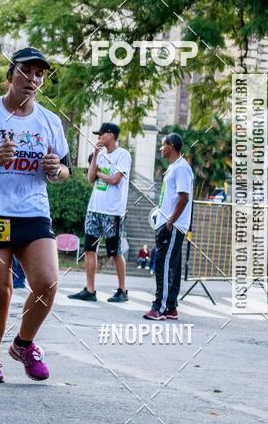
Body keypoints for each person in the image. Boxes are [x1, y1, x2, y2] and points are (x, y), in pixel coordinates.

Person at [0, 47, 70, 383]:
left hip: (32, 211)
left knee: (46, 283)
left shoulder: (49, 121)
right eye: (26, 71)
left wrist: (55, 169)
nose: (33, 79)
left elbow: (65, 171)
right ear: (10, 75)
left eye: (39, 74)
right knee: (0, 291)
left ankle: (23, 344)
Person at [68, 122, 132, 303]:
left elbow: (114, 179)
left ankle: (122, 289)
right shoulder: (100, 155)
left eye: (101, 134)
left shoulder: (123, 155)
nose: (98, 138)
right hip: (94, 208)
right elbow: (90, 178)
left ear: (111, 135)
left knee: (115, 251)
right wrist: (95, 155)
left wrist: (99, 174)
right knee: (89, 249)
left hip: (112, 211)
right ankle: (90, 289)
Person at [144, 133, 194, 321]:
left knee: (163, 266)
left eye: (163, 145)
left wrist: (171, 222)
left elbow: (184, 197)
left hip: (172, 226)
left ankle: (159, 307)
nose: (160, 149)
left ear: (171, 146)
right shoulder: (174, 167)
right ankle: (171, 307)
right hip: (166, 223)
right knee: (171, 266)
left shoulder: (181, 168)